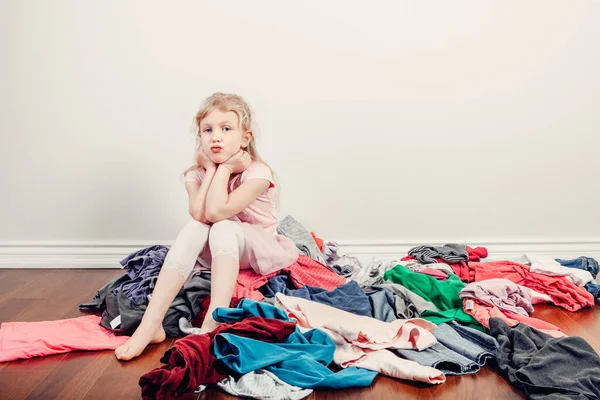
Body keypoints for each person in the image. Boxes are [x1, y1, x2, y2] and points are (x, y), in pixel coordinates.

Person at [115, 93, 298, 361]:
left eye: (226, 129)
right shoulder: (194, 173)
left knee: (222, 225)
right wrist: (212, 170)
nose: (216, 137)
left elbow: (216, 212)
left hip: (258, 248)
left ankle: (214, 320)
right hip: (219, 249)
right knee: (194, 228)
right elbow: (200, 215)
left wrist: (223, 171)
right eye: (208, 130)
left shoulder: (257, 173)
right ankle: (151, 323)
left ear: (245, 138)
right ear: (199, 137)